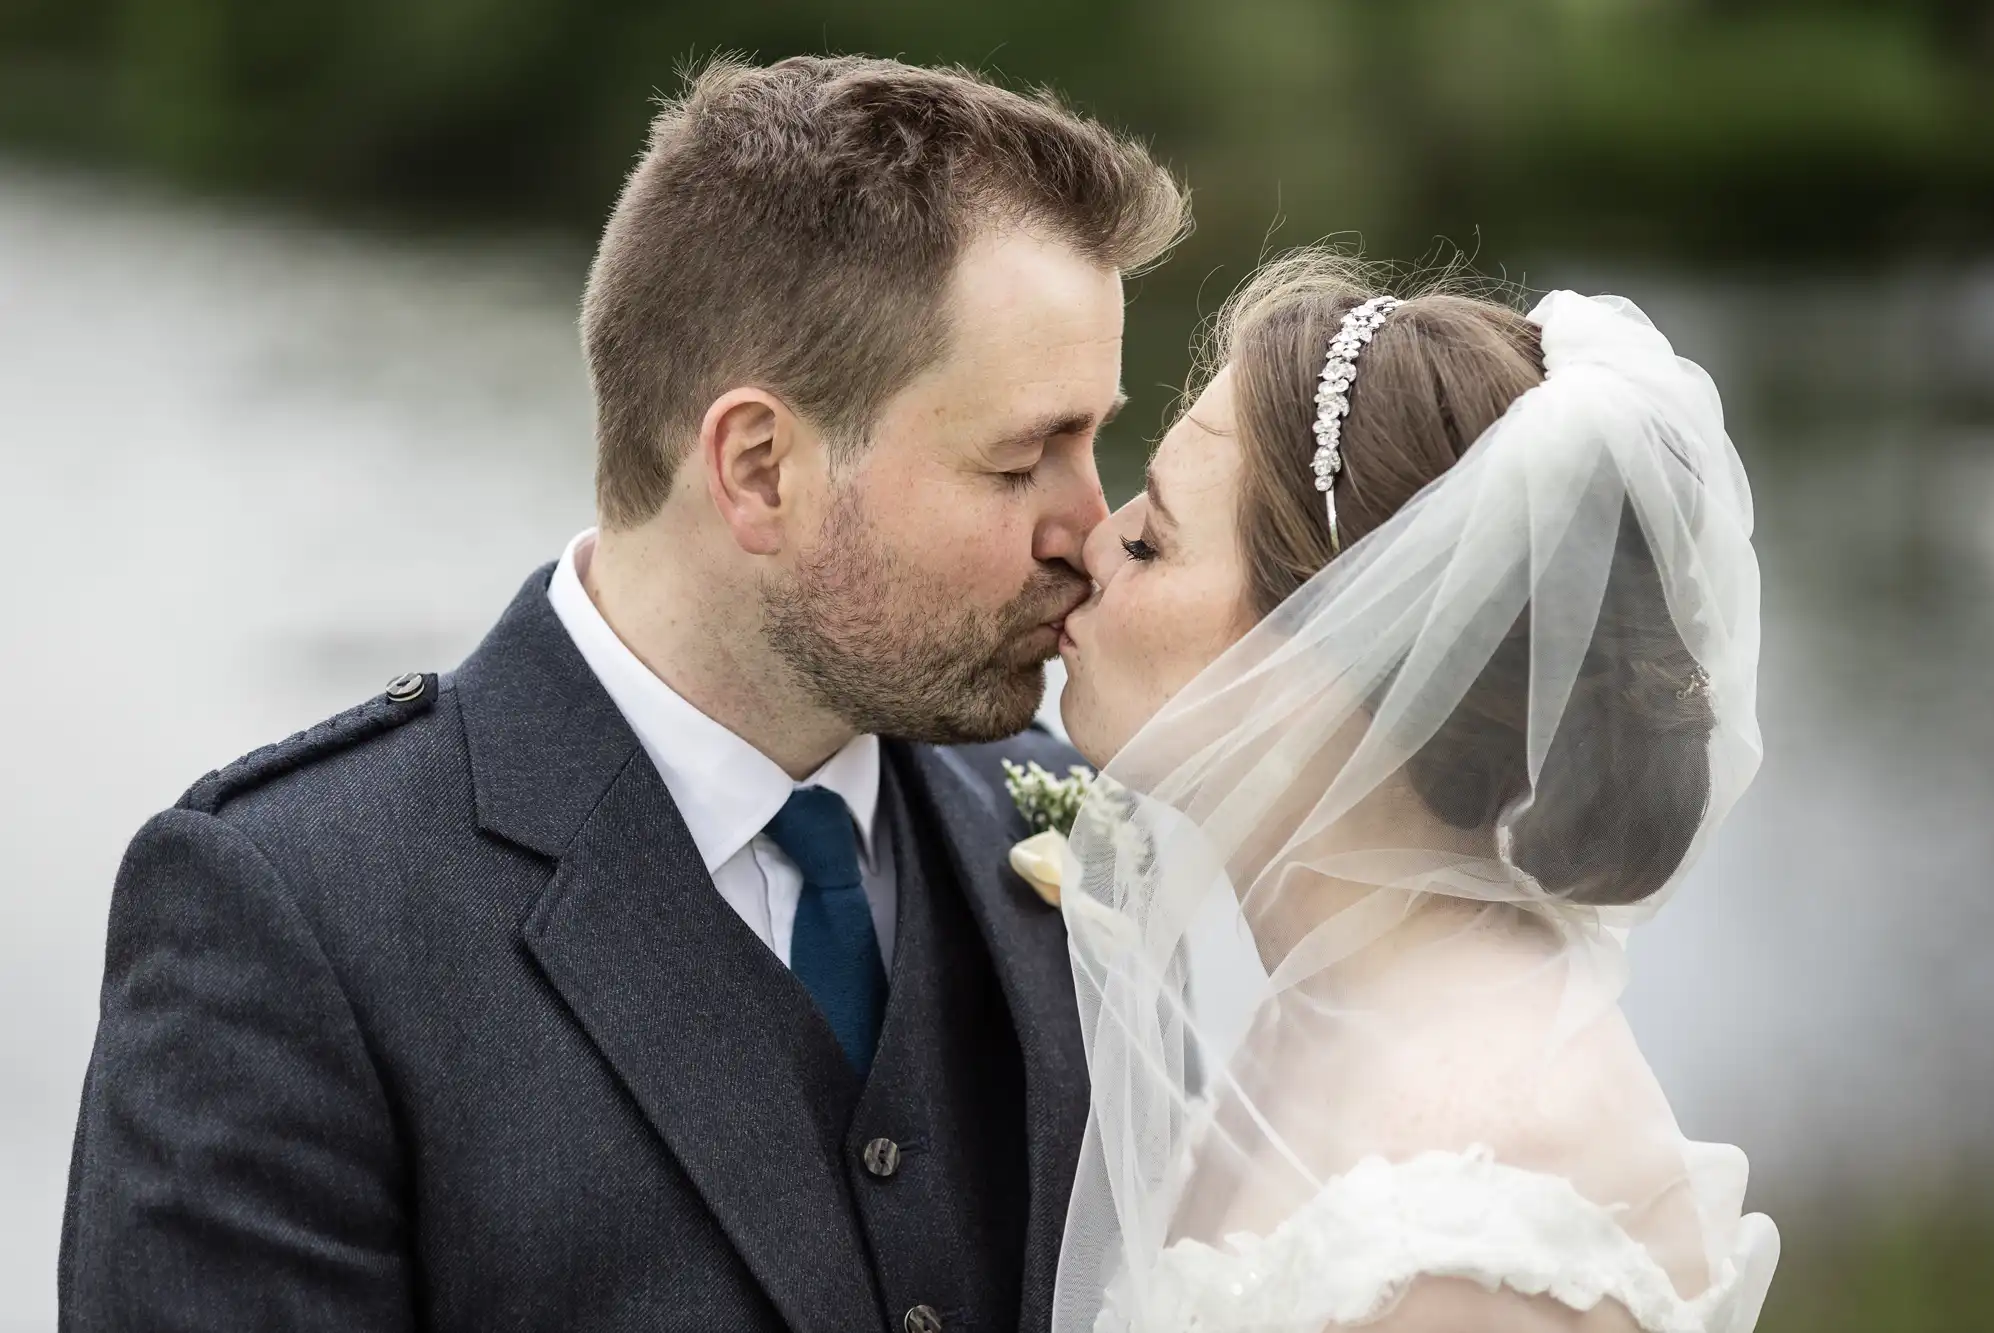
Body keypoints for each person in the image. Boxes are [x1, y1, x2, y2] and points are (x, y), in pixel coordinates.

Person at [59, 55, 1187, 1331]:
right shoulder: (294, 915)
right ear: (759, 467)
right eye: (1022, 459)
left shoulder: (1080, 842)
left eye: (1094, 441)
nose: (1091, 531)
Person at [1052, 253, 1779, 1331]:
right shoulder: (1324, 1003)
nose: (1087, 545)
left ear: (1324, 655)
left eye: (1151, 539)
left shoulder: (1469, 1229)